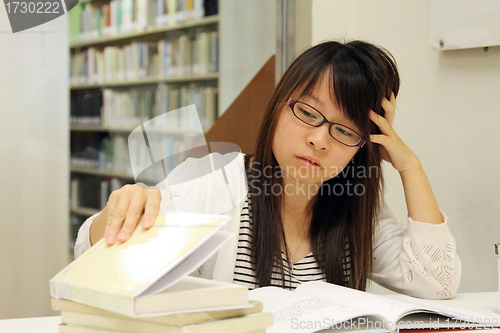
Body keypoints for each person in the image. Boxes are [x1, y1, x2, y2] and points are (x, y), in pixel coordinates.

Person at [75, 40, 461, 299]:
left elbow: (438, 282)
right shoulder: (214, 185)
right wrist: (121, 210)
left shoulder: (357, 209)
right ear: (278, 107)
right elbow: (93, 255)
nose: (320, 140)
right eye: (308, 113)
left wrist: (411, 166)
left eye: (345, 130)